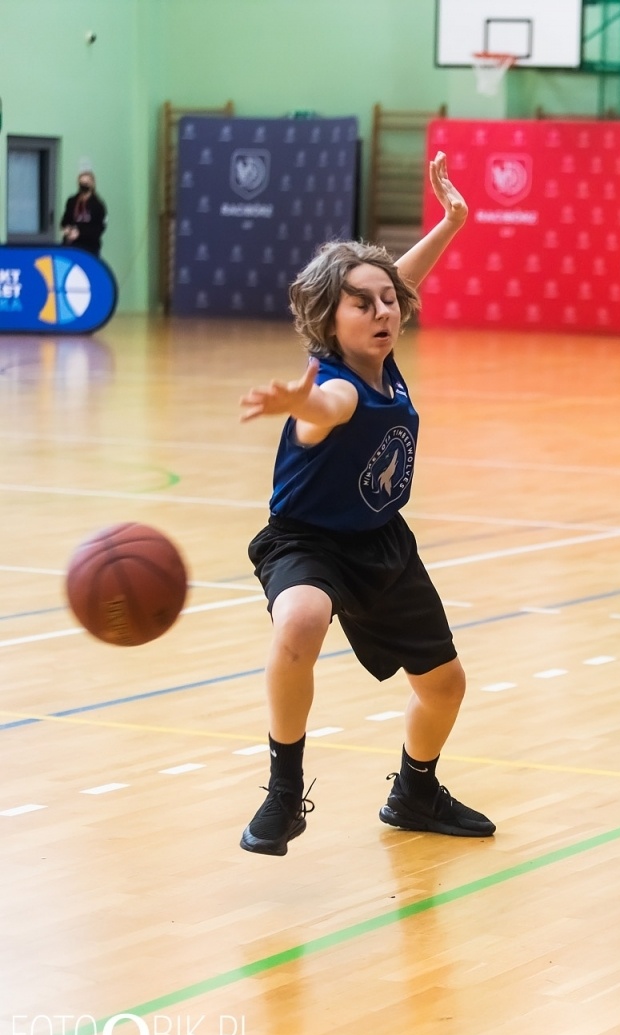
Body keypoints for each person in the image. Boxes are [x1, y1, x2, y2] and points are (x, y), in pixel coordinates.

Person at [235, 153, 493, 855]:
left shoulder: (383, 352)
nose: (384, 310)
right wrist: (296, 401)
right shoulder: (339, 384)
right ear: (329, 317)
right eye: (363, 302)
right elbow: (327, 406)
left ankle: (415, 791)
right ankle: (284, 793)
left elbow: (400, 281)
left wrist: (453, 222)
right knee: (302, 617)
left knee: (444, 688)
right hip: (308, 542)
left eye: (388, 302)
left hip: (382, 541)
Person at [59, 170, 107, 257]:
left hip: (89, 248)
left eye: (86, 183)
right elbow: (65, 220)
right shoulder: (72, 201)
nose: (83, 185)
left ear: (92, 184)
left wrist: (80, 233)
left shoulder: (98, 205)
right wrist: (66, 229)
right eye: (81, 182)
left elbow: (99, 228)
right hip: (71, 246)